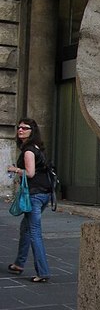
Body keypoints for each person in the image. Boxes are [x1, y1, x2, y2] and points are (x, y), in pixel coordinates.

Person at [7, 118, 51, 282]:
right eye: (19, 127)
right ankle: (19, 264)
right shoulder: (37, 148)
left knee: (34, 233)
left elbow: (30, 173)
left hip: (34, 195)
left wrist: (14, 169)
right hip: (44, 194)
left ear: (32, 131)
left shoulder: (29, 151)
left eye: (25, 128)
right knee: (25, 228)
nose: (20, 130)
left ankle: (43, 272)